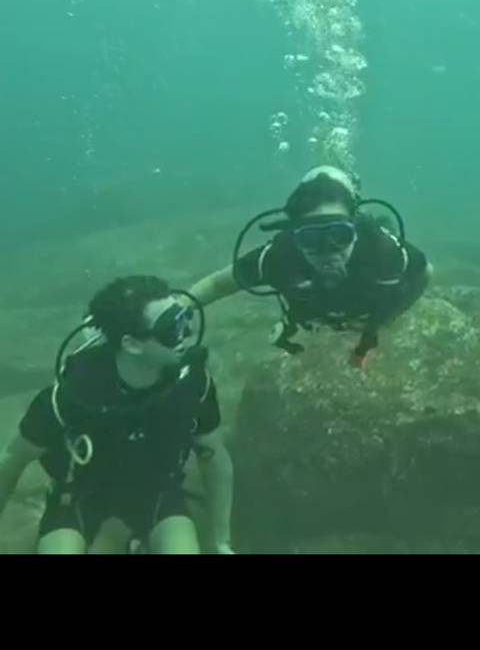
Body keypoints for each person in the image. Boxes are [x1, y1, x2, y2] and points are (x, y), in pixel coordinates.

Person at [0, 275, 234, 554]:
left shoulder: (191, 384)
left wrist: (222, 540)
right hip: (78, 498)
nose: (187, 332)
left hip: (156, 491)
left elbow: (213, 455)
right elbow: (13, 459)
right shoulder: (72, 396)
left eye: (184, 317)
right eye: (171, 327)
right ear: (132, 344)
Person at [190, 166, 432, 369]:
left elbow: (424, 273)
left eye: (339, 234)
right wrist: (179, 307)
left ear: (355, 229)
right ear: (295, 236)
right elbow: (218, 283)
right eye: (310, 239)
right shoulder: (282, 254)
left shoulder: (380, 250)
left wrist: (385, 321)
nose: (328, 250)